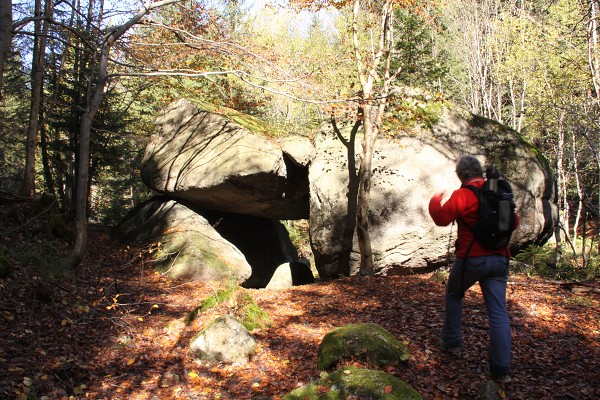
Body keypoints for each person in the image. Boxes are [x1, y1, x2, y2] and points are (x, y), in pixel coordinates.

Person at [428, 154, 518, 384]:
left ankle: (451, 342)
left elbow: (440, 217)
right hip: (499, 260)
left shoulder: (464, 194)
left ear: (461, 175)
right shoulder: (498, 192)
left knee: (454, 294)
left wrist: (437, 196)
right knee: (498, 313)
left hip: (471, 259)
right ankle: (501, 369)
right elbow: (514, 222)